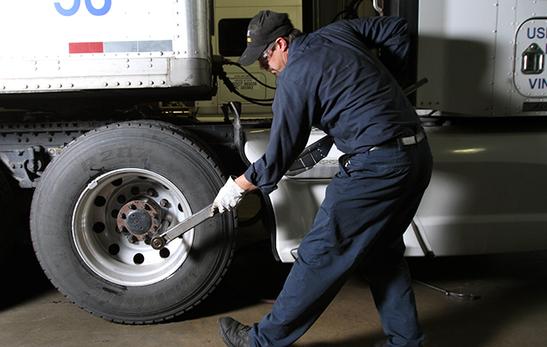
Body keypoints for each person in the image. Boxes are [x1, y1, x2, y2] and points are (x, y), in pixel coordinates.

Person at [212, 9, 433, 347]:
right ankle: (406, 342)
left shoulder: (295, 76)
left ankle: (261, 342)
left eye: (264, 57)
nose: (265, 67)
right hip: (416, 156)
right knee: (383, 255)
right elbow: (397, 28)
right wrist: (385, 79)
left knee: (319, 255)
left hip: (376, 169)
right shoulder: (338, 33)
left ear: (281, 43)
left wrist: (240, 185)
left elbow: (281, 152)